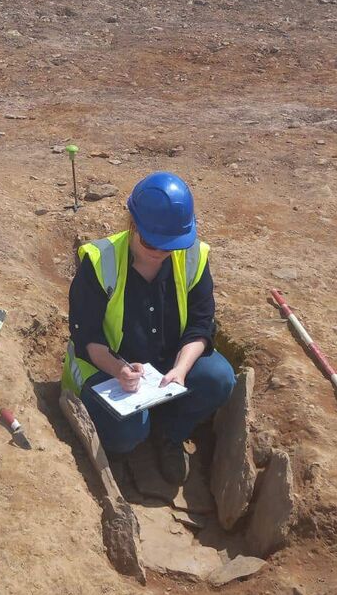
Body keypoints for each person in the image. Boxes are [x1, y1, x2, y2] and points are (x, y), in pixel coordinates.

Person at [61, 171, 236, 484]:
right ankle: (124, 446)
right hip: (109, 369)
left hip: (165, 366)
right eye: (150, 242)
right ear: (133, 224)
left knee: (219, 378)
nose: (159, 252)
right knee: (127, 432)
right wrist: (119, 369)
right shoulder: (101, 262)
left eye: (170, 245)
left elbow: (201, 323)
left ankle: (170, 433)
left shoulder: (194, 256)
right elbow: (86, 336)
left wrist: (180, 370)